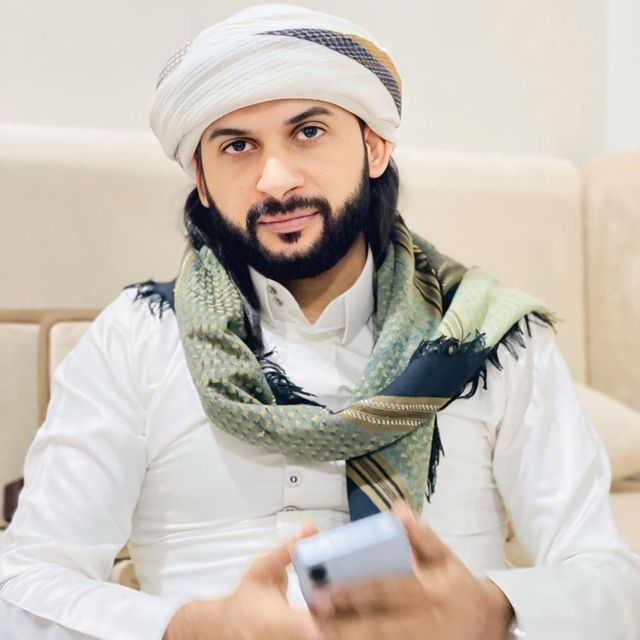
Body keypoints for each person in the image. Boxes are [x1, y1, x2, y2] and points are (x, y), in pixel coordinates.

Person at [1, 4, 639, 640]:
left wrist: (494, 610)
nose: (276, 181)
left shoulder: (489, 336)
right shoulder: (136, 338)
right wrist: (191, 628)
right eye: (237, 146)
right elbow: (24, 583)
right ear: (202, 179)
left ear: (374, 147)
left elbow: (611, 580)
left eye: (308, 132)